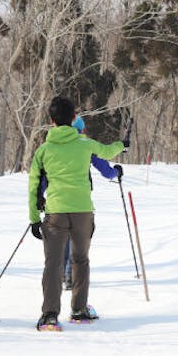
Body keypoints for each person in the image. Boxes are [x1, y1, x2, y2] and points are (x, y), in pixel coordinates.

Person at [28, 96, 126, 331]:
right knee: (81, 259)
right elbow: (108, 152)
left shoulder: (43, 150)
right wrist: (122, 144)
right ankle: (79, 310)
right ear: (74, 119)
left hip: (56, 213)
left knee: (53, 264)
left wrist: (34, 217)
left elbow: (33, 185)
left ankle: (50, 315)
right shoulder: (85, 145)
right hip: (83, 211)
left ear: (51, 120)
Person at [62, 116, 123, 290]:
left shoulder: (54, 145)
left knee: (63, 239)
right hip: (80, 201)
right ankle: (69, 277)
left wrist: (39, 197)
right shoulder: (85, 145)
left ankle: (62, 275)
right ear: (81, 130)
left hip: (56, 200)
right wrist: (116, 172)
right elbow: (106, 171)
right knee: (77, 239)